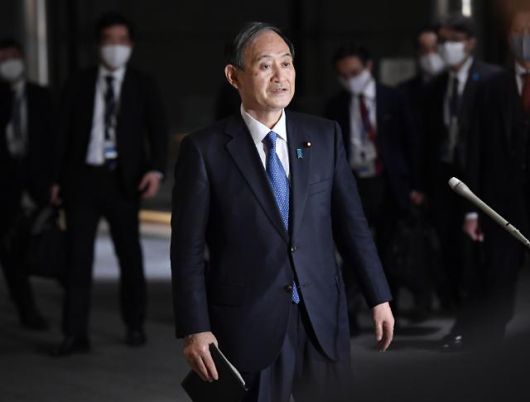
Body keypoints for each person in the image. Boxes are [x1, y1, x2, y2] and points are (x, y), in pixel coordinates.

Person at [171, 22, 394, 402]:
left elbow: (352, 226)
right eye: (265, 65)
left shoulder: (324, 136)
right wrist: (195, 327)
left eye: (287, 63)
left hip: (321, 317)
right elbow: (187, 250)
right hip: (248, 323)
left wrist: (378, 296)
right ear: (234, 76)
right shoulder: (205, 151)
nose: (280, 75)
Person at [51, 12, 168, 356]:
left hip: (124, 182)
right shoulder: (78, 82)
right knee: (77, 259)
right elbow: (61, 132)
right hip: (81, 180)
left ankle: (135, 324)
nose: (114, 47)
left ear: (130, 45)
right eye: (108, 40)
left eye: (121, 40)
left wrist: (155, 170)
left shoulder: (143, 83)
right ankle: (75, 334)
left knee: (129, 256)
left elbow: (158, 130)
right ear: (98, 44)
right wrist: (54, 179)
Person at [446, 7, 529, 350]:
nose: (524, 38)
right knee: (497, 279)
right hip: (500, 203)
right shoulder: (492, 85)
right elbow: (477, 148)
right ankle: (489, 350)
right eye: (518, 31)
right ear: (508, 38)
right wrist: (472, 209)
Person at [325, 43, 422, 327]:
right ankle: (350, 313)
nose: (350, 80)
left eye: (355, 72)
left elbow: (412, 143)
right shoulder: (336, 105)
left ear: (369, 67)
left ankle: (391, 309)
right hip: (354, 183)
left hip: (388, 182)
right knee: (352, 247)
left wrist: (415, 185)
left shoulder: (394, 98)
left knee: (389, 247)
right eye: (344, 75)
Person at [425, 15, 501, 338]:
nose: (446, 47)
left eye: (453, 41)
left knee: (479, 256)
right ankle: (464, 320)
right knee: (452, 252)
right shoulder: (438, 85)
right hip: (447, 180)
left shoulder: (491, 79)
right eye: (442, 41)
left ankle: (483, 325)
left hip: (482, 180)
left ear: (470, 43)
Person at [0, 38, 53, 330]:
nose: (8, 63)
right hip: (6, 187)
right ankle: (26, 309)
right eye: (2, 59)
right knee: (9, 252)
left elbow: (54, 140)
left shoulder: (41, 96)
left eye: (12, 57)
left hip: (39, 184)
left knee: (42, 243)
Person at [398, 25, 446, 322]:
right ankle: (423, 297)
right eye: (423, 49)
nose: (429, 56)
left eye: (434, 49)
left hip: (450, 179)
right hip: (420, 177)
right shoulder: (407, 92)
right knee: (419, 242)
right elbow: (409, 142)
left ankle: (452, 295)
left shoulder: (455, 86)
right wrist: (414, 184)